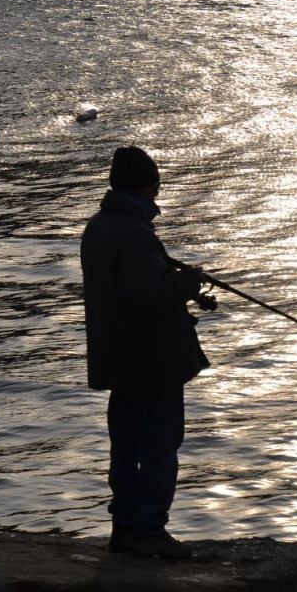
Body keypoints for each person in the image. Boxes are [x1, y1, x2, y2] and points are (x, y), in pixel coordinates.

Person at [80, 145, 210, 561]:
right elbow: (148, 295)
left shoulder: (99, 226)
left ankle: (124, 529)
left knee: (126, 447)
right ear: (145, 185)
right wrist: (188, 282)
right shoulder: (133, 232)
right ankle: (150, 532)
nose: (157, 196)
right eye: (156, 187)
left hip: (118, 360)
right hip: (152, 363)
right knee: (157, 447)